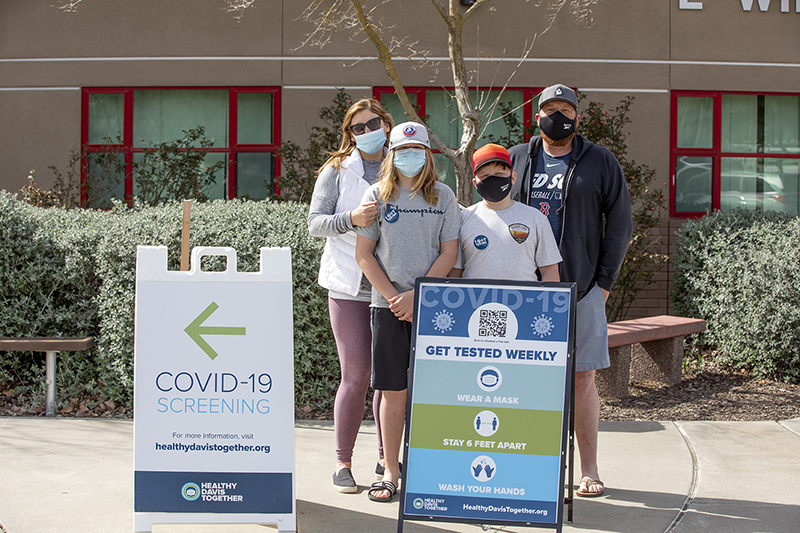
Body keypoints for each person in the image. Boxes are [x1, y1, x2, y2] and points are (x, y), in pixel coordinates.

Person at [508, 84, 632, 497]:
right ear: (536, 116)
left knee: (582, 382)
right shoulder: (519, 158)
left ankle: (589, 470)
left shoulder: (600, 161)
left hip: (581, 291)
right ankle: (528, 467)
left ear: (577, 117)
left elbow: (619, 225)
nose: (556, 115)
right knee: (526, 383)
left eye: (565, 109)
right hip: (525, 293)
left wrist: (603, 286)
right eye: (548, 109)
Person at [354, 122, 460, 502]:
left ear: (428, 156)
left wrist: (420, 296)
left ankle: (430, 469)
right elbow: (364, 255)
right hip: (387, 307)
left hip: (433, 309)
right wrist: (396, 298)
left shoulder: (444, 196)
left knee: (433, 393)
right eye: (403, 151)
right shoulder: (376, 195)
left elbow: (449, 253)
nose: (410, 158)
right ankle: (391, 471)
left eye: (418, 151)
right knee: (393, 392)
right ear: (392, 155)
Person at [307, 98, 394, 493]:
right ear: (349, 133)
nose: (365, 132)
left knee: (390, 380)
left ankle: (385, 458)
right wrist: (352, 219)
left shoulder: (409, 161)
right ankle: (343, 463)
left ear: (386, 124)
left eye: (371, 123)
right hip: (350, 286)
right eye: (357, 128)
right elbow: (315, 223)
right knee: (356, 376)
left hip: (394, 288)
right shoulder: (337, 170)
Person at [448, 143, 562, 283]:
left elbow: (550, 269)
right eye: (485, 176)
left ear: (513, 177)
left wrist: (547, 302)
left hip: (524, 302)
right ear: (475, 183)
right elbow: (455, 272)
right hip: (476, 303)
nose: (492, 179)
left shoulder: (535, 218)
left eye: (499, 174)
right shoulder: (463, 219)